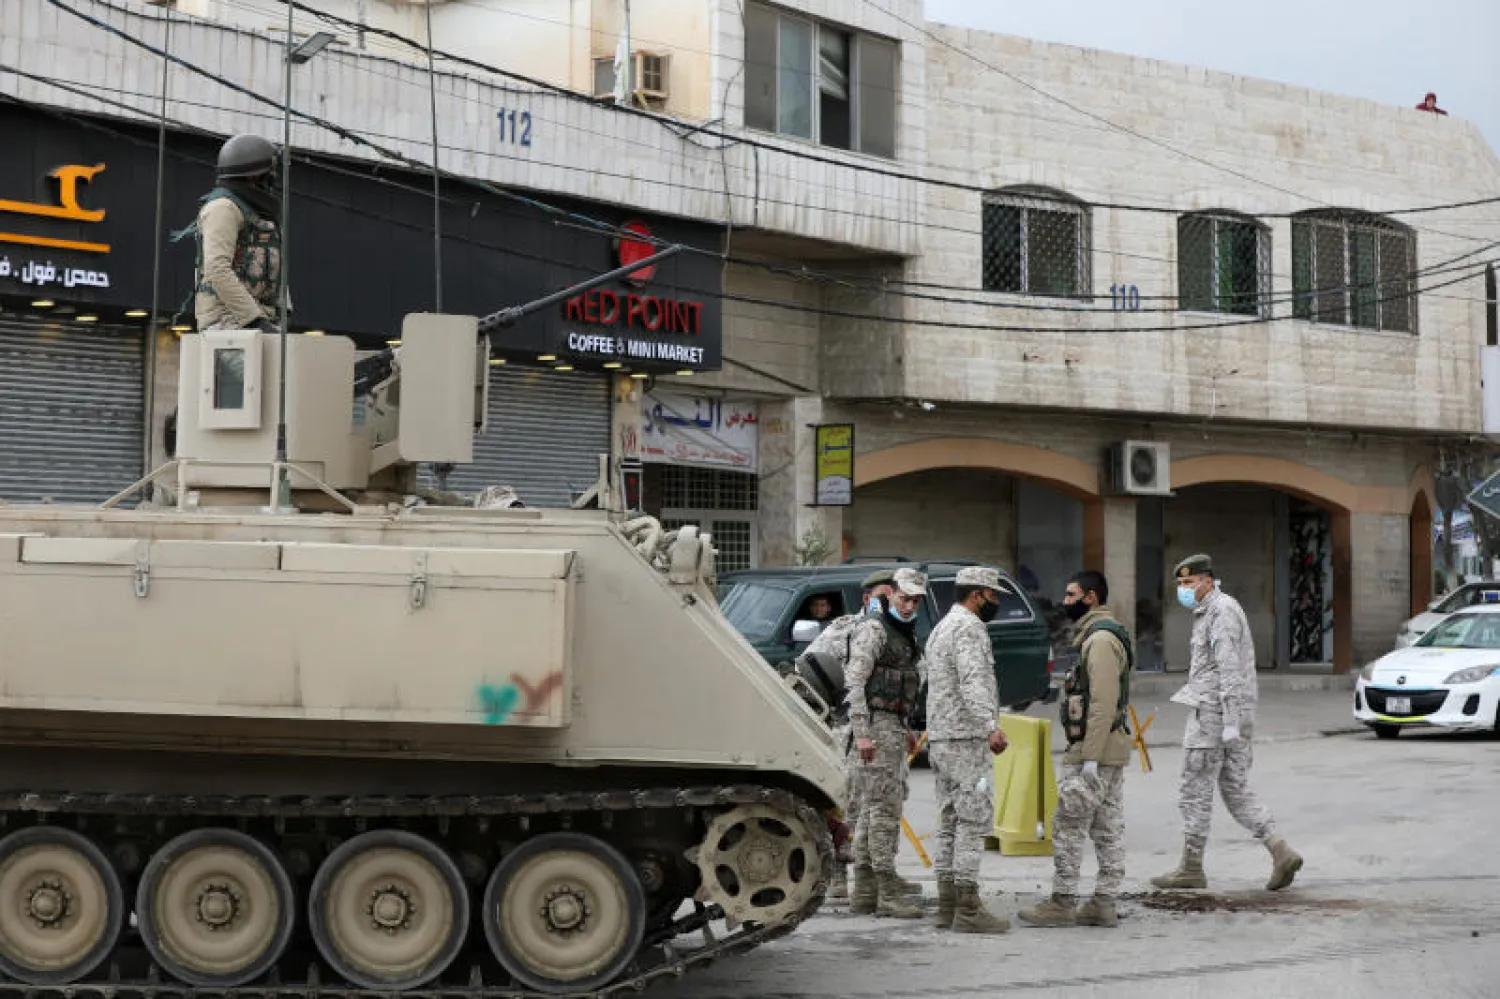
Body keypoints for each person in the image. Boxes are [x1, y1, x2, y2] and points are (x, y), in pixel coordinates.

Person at [1151, 554, 1304, 892]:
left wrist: (1230, 721)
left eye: (1189, 582)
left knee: (1194, 788)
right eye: (1180, 583)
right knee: (1235, 788)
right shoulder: (1211, 611)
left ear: (1207, 581)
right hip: (1227, 714)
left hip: (1214, 714)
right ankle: (1280, 850)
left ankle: (1191, 867)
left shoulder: (1220, 611)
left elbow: (1228, 667)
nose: (1183, 589)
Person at [793, 571, 918, 904]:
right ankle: (838, 875)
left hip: (886, 726)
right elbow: (808, 668)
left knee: (887, 801)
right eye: (885, 595)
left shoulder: (896, 629)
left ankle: (879, 873)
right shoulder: (846, 628)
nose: (897, 602)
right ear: (868, 598)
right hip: (851, 727)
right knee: (849, 803)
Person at [1018, 569, 1133, 929]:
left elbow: (1102, 702)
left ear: (1091, 598)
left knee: (1069, 823)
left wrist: (1090, 757)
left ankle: (1063, 902)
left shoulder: (1100, 641)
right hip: (1107, 748)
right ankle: (1103, 902)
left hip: (1093, 749)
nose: (1064, 602)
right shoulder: (1100, 635)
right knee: (1106, 825)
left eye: (1071, 595)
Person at [923, 566, 1010, 933]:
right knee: (972, 822)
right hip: (966, 738)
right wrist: (991, 725)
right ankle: (969, 909)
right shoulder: (969, 628)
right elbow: (973, 681)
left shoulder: (942, 627)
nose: (996, 602)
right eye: (994, 595)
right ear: (978, 594)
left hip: (942, 737)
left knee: (948, 821)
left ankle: (947, 905)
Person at [844, 567, 928, 918]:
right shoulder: (874, 629)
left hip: (891, 726)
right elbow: (855, 683)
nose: (909, 606)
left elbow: (902, 683)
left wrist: (905, 726)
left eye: (916, 601)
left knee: (871, 809)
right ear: (891, 594)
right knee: (884, 810)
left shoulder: (903, 632)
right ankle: (886, 889)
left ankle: (865, 889)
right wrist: (862, 732)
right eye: (904, 598)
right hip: (875, 728)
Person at [185, 133, 286, 333]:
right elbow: (216, 268)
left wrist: (283, 310)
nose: (273, 178)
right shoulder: (223, 208)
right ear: (255, 175)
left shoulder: (258, 213)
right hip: (227, 322)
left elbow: (276, 264)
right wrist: (254, 320)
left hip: (261, 319)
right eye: (270, 172)